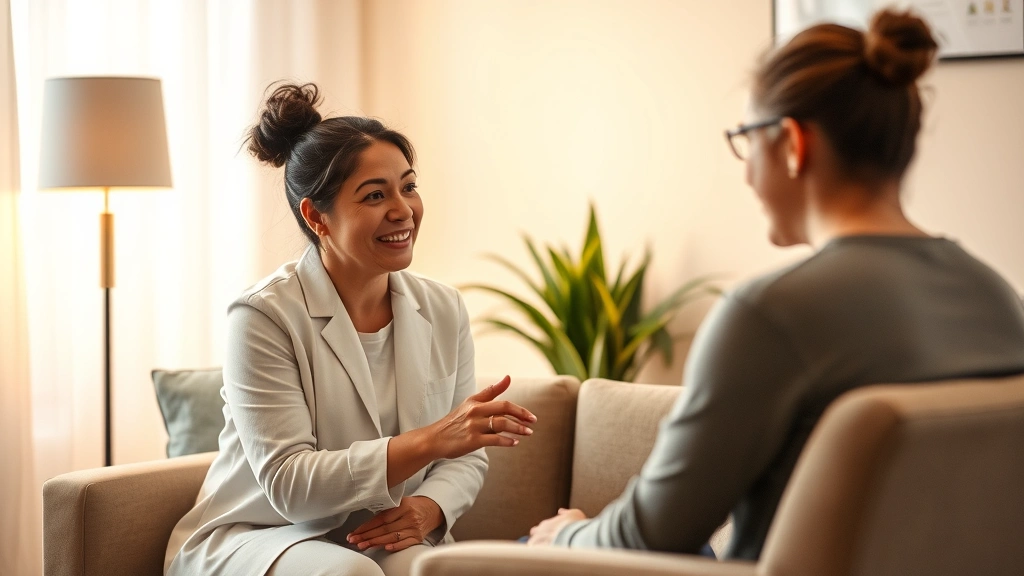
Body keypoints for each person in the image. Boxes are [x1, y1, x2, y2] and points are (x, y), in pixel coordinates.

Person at [527, 8, 1024, 560]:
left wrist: (563, 534)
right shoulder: (998, 297)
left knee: (538, 544)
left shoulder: (771, 313)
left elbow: (653, 535)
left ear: (791, 144)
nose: (745, 171)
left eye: (746, 138)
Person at [164, 82, 537, 576]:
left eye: (408, 186)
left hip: (367, 531)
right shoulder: (261, 316)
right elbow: (290, 485)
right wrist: (433, 438)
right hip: (259, 534)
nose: (403, 209)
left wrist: (429, 509)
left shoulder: (443, 308)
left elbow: (462, 458)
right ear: (317, 216)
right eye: (375, 195)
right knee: (350, 574)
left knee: (423, 566)